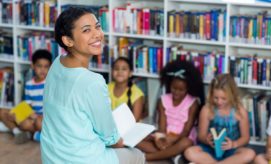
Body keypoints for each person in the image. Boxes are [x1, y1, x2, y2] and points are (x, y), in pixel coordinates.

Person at [41, 7, 145, 164]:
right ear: (68, 40)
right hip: (82, 160)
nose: (97, 34)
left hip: (51, 156)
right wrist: (121, 142)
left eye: (97, 26)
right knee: (137, 155)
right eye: (86, 30)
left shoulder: (57, 62)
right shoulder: (93, 81)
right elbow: (110, 137)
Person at [138, 60, 205, 161]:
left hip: (181, 137)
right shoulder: (163, 100)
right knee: (139, 139)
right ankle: (171, 155)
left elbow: (187, 130)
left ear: (187, 88)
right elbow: (162, 126)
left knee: (186, 143)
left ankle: (147, 157)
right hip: (165, 136)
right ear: (169, 85)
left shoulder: (193, 103)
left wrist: (173, 140)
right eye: (174, 88)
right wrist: (160, 139)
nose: (176, 92)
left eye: (181, 90)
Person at [184, 74, 255, 164]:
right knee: (189, 152)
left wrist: (233, 144)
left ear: (232, 95)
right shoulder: (207, 109)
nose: (219, 102)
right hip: (210, 149)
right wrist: (207, 140)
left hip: (231, 150)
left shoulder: (240, 111)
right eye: (216, 98)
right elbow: (201, 136)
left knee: (250, 153)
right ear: (211, 94)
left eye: (223, 98)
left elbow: (245, 138)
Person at [0, 49, 52, 143]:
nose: (43, 70)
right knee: (4, 112)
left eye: (46, 67)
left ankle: (34, 134)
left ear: (50, 68)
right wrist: (22, 113)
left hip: (44, 118)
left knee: (39, 122)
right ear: (33, 66)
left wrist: (37, 117)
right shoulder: (29, 84)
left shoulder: (50, 84)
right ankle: (19, 132)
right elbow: (28, 104)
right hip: (32, 116)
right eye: (39, 66)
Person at [108, 57, 144, 122]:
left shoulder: (137, 94)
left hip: (129, 129)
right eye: (116, 68)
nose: (119, 71)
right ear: (112, 71)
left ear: (130, 73)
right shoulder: (106, 88)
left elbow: (134, 122)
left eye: (124, 69)